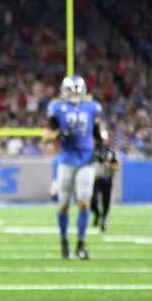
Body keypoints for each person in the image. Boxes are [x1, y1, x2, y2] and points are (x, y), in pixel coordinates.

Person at [45, 76, 102, 260]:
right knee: (63, 206)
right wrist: (58, 134)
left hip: (86, 159)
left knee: (84, 202)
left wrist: (102, 147)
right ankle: (64, 242)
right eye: (72, 89)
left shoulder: (92, 107)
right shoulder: (57, 108)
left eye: (78, 89)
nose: (75, 93)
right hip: (66, 160)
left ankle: (81, 243)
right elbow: (48, 133)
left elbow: (98, 132)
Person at [91, 136, 119, 233]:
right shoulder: (93, 151)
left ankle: (103, 221)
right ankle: (97, 214)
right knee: (92, 201)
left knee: (105, 203)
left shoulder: (111, 153)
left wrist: (109, 165)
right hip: (95, 179)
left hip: (107, 179)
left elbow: (116, 167)